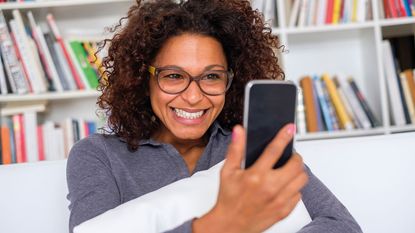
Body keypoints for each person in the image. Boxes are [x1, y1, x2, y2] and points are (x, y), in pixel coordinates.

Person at [66, 0, 362, 232]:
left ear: (231, 80)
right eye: (173, 76)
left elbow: (342, 226)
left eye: (211, 76)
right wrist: (223, 224)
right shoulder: (98, 156)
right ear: (144, 78)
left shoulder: (253, 145)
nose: (194, 96)